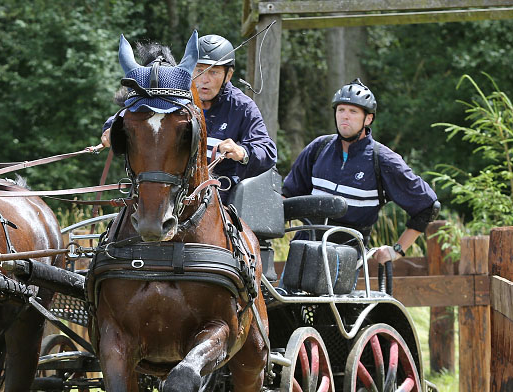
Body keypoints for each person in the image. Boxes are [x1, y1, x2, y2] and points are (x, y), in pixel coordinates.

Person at [101, 35, 278, 204]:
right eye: (199, 70)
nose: (204, 79)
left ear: (228, 75)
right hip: (171, 191)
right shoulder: (175, 95)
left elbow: (268, 151)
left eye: (214, 72)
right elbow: (135, 115)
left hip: (221, 197)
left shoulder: (242, 107)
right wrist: (112, 129)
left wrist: (242, 152)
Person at [282, 78, 440, 261]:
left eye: (353, 111)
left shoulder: (383, 160)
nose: (345, 116)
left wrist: (396, 250)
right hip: (302, 249)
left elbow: (427, 206)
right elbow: (288, 194)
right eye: (341, 110)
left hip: (346, 256)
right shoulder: (319, 148)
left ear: (369, 118)